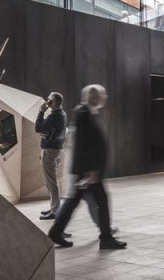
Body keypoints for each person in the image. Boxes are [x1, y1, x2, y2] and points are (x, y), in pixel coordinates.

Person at [48, 85, 126, 250]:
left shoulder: (88, 113)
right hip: (88, 171)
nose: (104, 98)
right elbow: (84, 145)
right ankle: (105, 238)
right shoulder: (84, 113)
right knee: (99, 202)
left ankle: (56, 232)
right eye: (101, 95)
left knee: (74, 202)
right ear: (94, 97)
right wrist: (91, 169)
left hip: (87, 170)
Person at [35, 91, 67, 220]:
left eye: (48, 100)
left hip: (50, 150)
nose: (46, 102)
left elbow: (38, 128)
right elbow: (51, 131)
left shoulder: (54, 116)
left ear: (52, 103)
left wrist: (41, 111)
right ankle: (54, 207)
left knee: (51, 182)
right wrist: (46, 133)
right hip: (55, 149)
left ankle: (55, 211)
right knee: (50, 181)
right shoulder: (62, 114)